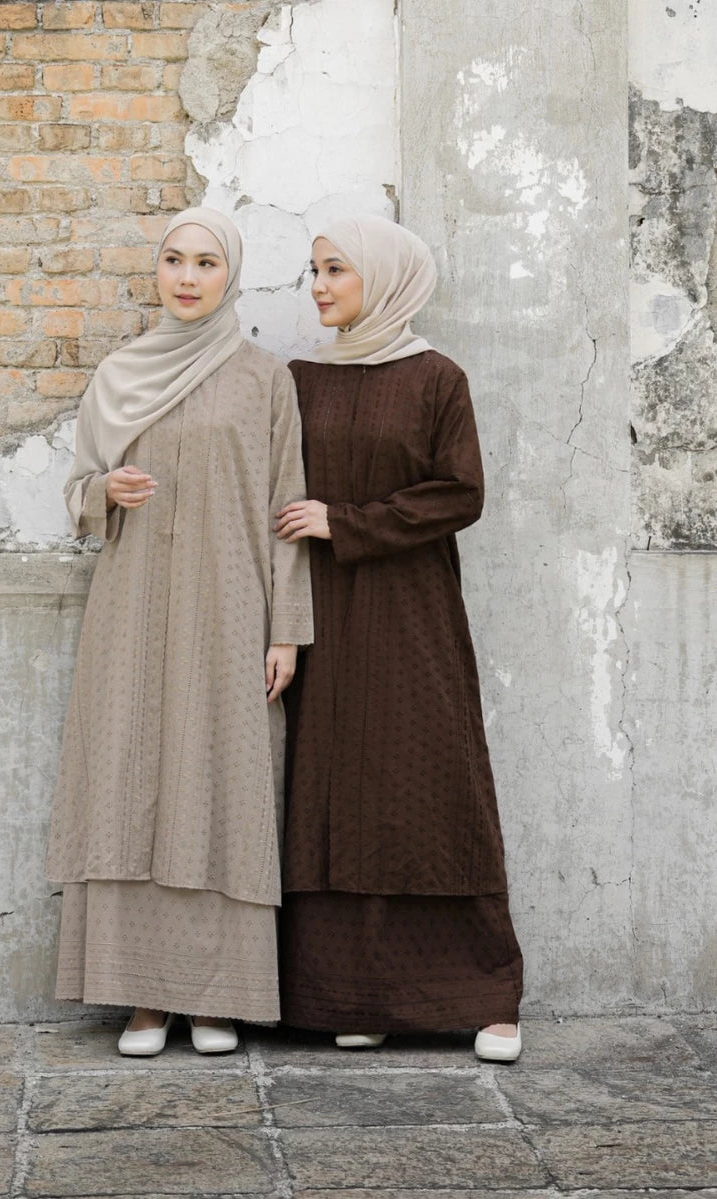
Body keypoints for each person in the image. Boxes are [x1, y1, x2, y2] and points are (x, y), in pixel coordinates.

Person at [46, 207, 313, 1056]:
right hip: (132, 608)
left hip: (232, 610)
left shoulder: (265, 380)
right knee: (129, 780)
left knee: (221, 783)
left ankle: (216, 997)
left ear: (229, 275)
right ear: (156, 270)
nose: (187, 278)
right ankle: (142, 998)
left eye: (205, 262)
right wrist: (105, 491)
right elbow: (78, 488)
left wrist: (287, 630)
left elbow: (287, 509)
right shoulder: (121, 374)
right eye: (173, 260)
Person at [275, 215, 523, 1062]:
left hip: (412, 612)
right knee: (332, 791)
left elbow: (460, 493)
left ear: (381, 278)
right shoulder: (299, 380)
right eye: (313, 270)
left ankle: (484, 996)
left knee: (429, 787)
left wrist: (345, 522)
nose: (318, 286)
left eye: (335, 270)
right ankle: (357, 994)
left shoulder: (436, 377)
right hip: (322, 613)